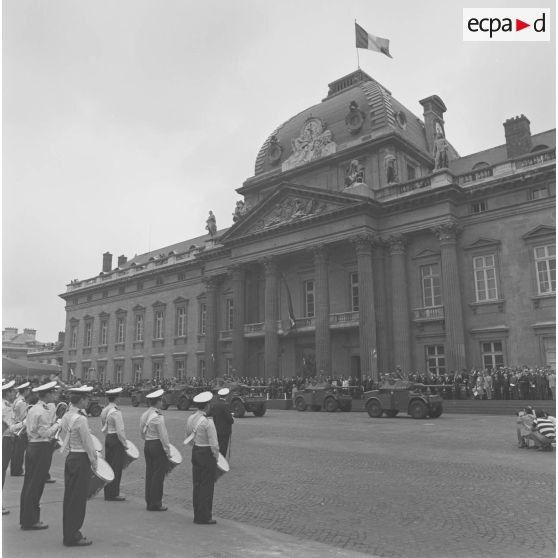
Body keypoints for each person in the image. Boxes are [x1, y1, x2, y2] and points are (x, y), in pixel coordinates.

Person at [59, 385, 97, 547]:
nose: (88, 402)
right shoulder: (80, 419)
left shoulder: (68, 415)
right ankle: (73, 535)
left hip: (71, 456)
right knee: (78, 499)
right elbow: (88, 443)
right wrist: (94, 461)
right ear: (81, 400)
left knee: (70, 497)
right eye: (87, 399)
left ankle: (68, 532)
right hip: (81, 458)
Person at [19, 381, 59, 530]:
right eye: (53, 393)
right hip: (41, 447)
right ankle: (31, 520)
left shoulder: (34, 408)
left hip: (32, 446)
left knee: (29, 484)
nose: (55, 395)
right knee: (36, 485)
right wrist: (58, 424)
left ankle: (26, 518)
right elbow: (45, 433)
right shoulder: (42, 411)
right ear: (47, 394)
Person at [185, 391, 220, 525]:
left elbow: (188, 435)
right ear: (207, 406)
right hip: (206, 453)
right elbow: (214, 444)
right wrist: (216, 458)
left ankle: (197, 513)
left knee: (197, 484)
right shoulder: (208, 422)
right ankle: (204, 516)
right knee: (207, 486)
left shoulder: (190, 418)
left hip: (196, 450)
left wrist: (194, 446)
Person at [140, 389, 171, 511]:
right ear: (157, 402)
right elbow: (164, 436)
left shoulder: (144, 414)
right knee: (158, 476)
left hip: (147, 443)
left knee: (150, 474)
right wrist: (168, 451)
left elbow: (141, 431)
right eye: (161, 400)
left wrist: (147, 439)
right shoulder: (158, 417)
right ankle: (156, 503)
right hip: (157, 445)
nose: (162, 402)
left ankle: (149, 501)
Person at [100, 387, 129, 501]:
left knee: (109, 466)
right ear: (117, 398)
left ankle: (108, 492)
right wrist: (125, 444)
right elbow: (120, 431)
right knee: (116, 467)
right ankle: (113, 493)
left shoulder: (105, 410)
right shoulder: (116, 412)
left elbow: (103, 424)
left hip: (109, 437)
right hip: (116, 439)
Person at [3, 380, 24, 515]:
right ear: (7, 392)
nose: (15, 394)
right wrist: (24, 423)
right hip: (4, 440)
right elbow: (10, 428)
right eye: (13, 392)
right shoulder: (5, 407)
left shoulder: (6, 405)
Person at [11, 382, 31, 477]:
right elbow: (24, 416)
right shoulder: (22, 402)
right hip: (21, 428)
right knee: (19, 450)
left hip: (15, 426)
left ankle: (14, 469)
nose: (29, 392)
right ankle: (17, 470)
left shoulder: (17, 400)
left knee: (16, 450)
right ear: (26, 391)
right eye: (28, 390)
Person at [208, 388, 234, 457]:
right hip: (225, 430)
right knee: (223, 448)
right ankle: (221, 462)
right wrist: (232, 418)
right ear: (227, 396)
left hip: (216, 428)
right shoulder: (226, 405)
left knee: (217, 446)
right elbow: (229, 419)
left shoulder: (215, 404)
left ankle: (216, 459)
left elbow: (211, 414)